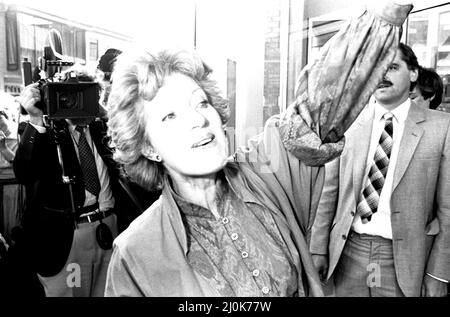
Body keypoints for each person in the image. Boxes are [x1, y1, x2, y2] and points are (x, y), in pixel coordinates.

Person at [104, 2, 412, 297]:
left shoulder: (267, 171)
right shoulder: (135, 254)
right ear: (147, 147)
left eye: (200, 102)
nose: (198, 119)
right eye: (170, 116)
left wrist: (384, 13)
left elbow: (320, 105)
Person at [310, 43, 450, 297]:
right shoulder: (347, 123)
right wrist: (318, 249)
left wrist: (438, 273)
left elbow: (448, 210)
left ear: (414, 74)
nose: (382, 76)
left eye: (392, 67)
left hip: (405, 261)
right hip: (348, 253)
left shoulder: (441, 128)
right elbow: (329, 193)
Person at [14, 63, 147, 297]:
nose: (81, 105)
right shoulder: (48, 132)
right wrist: (36, 118)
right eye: (70, 97)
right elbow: (24, 172)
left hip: (111, 231)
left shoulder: (103, 129)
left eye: (88, 96)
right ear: (58, 98)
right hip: (70, 238)